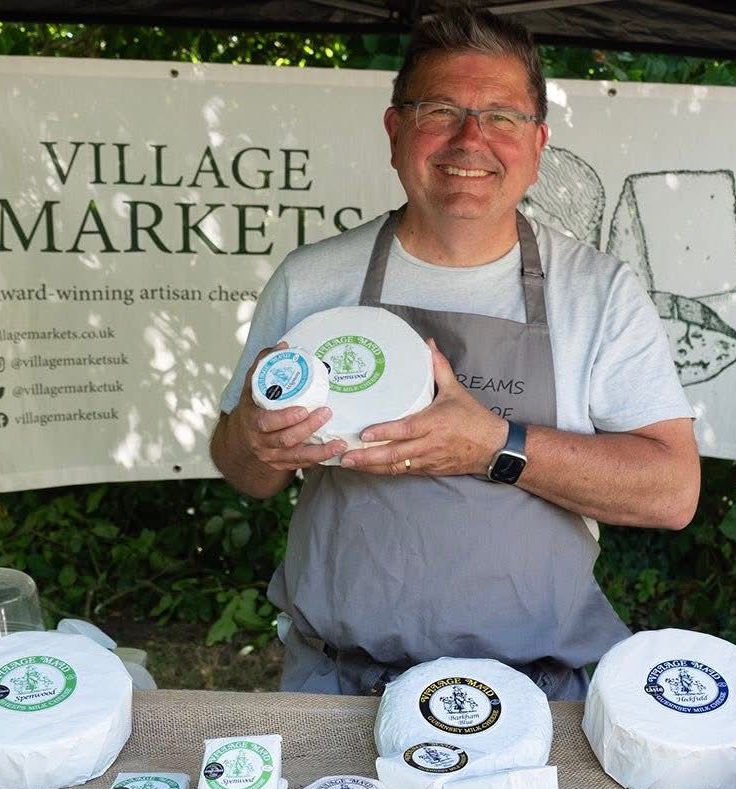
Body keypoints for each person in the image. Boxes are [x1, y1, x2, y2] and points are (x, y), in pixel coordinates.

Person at [211, 6, 700, 700]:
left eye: (501, 116)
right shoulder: (314, 279)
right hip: (338, 685)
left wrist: (494, 447)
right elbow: (242, 471)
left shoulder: (599, 292)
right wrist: (255, 441)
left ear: (536, 145)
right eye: (440, 110)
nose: (471, 140)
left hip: (532, 699)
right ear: (395, 130)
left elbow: (672, 492)